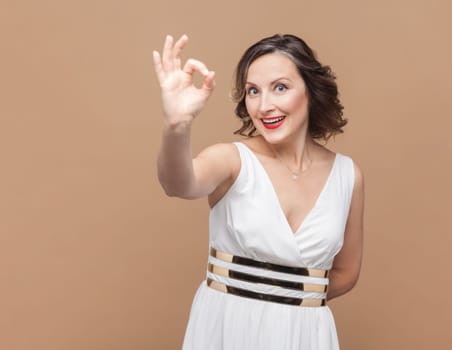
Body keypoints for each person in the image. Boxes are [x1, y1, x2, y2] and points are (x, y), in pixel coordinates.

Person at [152, 33, 365, 350]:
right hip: (228, 328)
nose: (265, 105)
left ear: (310, 90)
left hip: (306, 335)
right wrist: (176, 125)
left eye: (280, 87)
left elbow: (346, 272)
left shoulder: (348, 175)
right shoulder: (232, 160)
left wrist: (287, 309)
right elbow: (177, 183)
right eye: (253, 91)